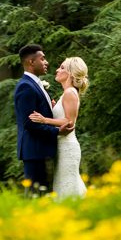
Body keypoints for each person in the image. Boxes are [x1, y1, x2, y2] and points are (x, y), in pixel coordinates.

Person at [13, 44, 71, 193]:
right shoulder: (26, 86)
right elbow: (30, 123)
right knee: (37, 195)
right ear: (31, 62)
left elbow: (40, 115)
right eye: (42, 58)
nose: (46, 62)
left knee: (43, 195)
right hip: (35, 151)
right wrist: (58, 131)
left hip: (41, 150)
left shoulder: (35, 85)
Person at [30, 56, 89, 199]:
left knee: (67, 186)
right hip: (62, 147)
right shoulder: (67, 93)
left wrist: (45, 120)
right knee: (66, 184)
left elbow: (69, 122)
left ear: (71, 73)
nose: (57, 70)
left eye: (62, 67)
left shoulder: (70, 93)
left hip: (67, 147)